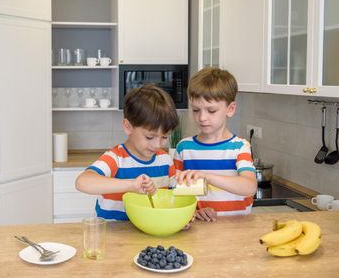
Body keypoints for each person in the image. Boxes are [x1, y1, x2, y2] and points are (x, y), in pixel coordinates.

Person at [75, 83, 181, 220]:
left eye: (164, 137)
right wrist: (131, 185)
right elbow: (82, 182)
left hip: (149, 235)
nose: (157, 145)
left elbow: (176, 199)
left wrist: (184, 217)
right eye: (150, 137)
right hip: (113, 237)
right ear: (128, 127)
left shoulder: (165, 160)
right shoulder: (115, 159)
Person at [174, 67, 257, 222]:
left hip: (237, 231)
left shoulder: (239, 147)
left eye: (211, 111)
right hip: (199, 231)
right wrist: (195, 211)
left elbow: (249, 187)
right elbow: (177, 193)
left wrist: (206, 176)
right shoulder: (184, 148)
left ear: (230, 109)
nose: (202, 118)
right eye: (196, 110)